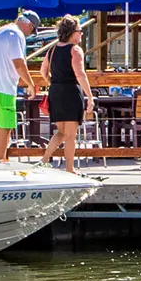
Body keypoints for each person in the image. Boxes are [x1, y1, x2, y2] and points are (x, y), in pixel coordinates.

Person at [0, 10, 40, 162]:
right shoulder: (16, 35)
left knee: (1, 126)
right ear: (29, 25)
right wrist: (31, 84)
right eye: (32, 30)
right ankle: (0, 162)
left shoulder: (1, 30)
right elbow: (19, 63)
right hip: (4, 88)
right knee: (5, 127)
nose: (30, 34)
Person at [40, 14, 90, 174]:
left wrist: (53, 82)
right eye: (79, 30)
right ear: (71, 32)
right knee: (70, 135)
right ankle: (70, 168)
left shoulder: (52, 50)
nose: (81, 33)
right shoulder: (75, 50)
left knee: (61, 132)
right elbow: (80, 74)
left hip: (55, 91)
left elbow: (43, 71)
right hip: (70, 92)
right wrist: (89, 96)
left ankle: (45, 159)